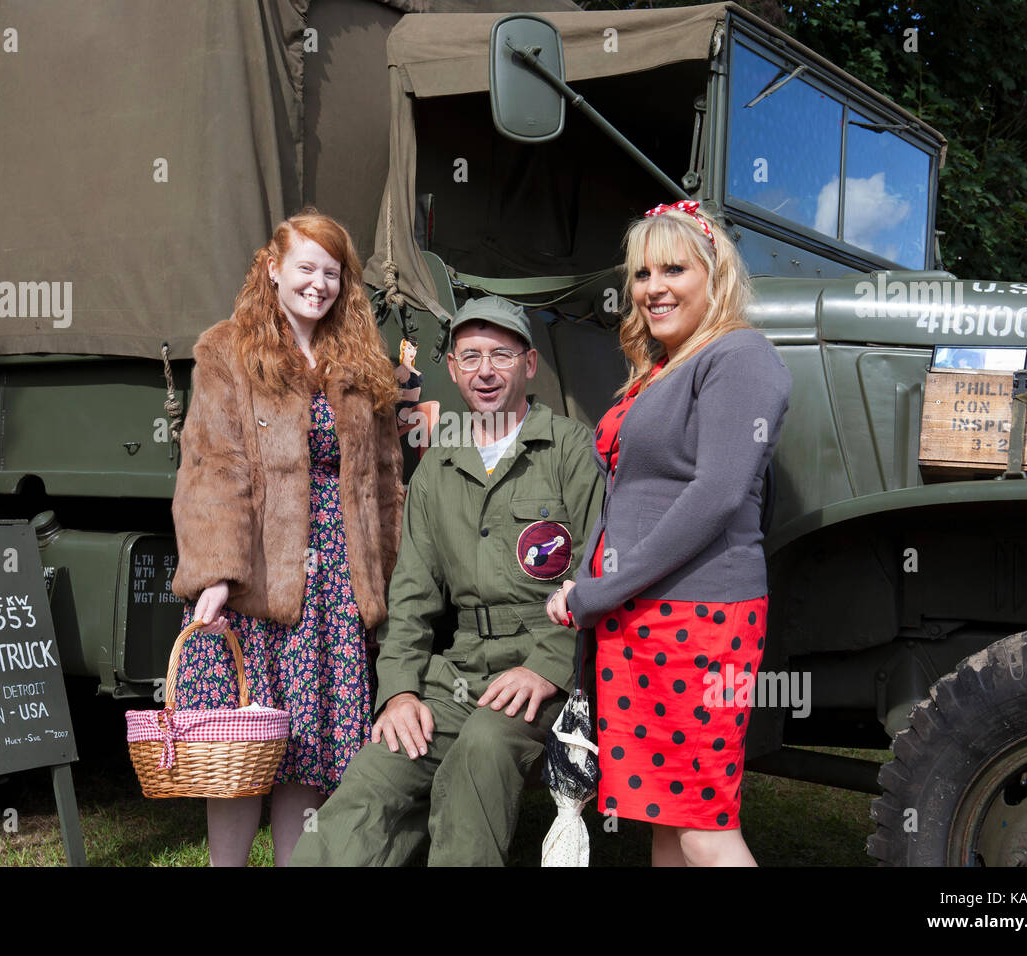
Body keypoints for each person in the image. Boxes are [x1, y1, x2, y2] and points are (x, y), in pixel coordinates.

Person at [291, 295, 605, 866]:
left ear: (529, 365)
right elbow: (411, 595)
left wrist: (549, 664)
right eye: (470, 357)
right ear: (454, 369)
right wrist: (400, 692)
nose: (485, 371)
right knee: (376, 777)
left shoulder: (570, 451)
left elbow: (597, 569)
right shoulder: (439, 464)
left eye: (500, 356)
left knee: (481, 754)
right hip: (457, 674)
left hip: (543, 671)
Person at [547, 200, 791, 867]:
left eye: (674, 268)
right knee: (664, 818)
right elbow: (632, 494)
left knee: (705, 827)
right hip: (644, 617)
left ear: (714, 273)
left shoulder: (740, 356)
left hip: (697, 620)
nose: (653, 287)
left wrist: (597, 592)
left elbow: (715, 495)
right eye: (642, 273)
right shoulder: (667, 364)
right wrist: (597, 587)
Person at [170, 209, 404, 867]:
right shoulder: (228, 349)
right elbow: (213, 462)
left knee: (308, 749)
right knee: (245, 748)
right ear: (272, 268)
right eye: (307, 268)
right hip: (257, 574)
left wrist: (392, 582)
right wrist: (218, 569)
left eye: (332, 273)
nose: (320, 284)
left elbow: (385, 480)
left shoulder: (360, 361)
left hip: (335, 581)